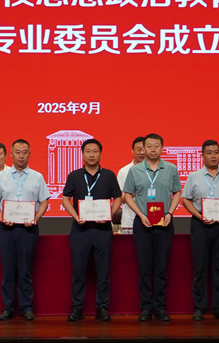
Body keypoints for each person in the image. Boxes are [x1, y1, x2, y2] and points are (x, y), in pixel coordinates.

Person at [60, 138, 122, 322]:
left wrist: (109, 214)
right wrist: (75, 216)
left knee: (103, 272)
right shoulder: (74, 175)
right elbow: (65, 198)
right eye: (88, 151)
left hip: (103, 230)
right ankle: (77, 308)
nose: (92, 155)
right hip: (80, 230)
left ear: (101, 154)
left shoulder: (109, 175)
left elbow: (118, 198)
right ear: (82, 154)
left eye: (95, 151)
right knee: (78, 272)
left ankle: (102, 308)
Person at [122, 133, 181, 322]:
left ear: (162, 148)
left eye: (156, 146)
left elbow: (177, 192)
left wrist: (170, 213)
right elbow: (127, 195)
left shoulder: (170, 168)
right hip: (143, 223)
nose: (153, 149)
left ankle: (160, 307)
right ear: (144, 148)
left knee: (161, 267)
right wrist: (140, 214)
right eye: (149, 146)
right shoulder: (135, 170)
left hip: (165, 223)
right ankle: (146, 307)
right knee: (144, 267)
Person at [0, 139, 51, 321]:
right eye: (17, 152)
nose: (21, 156)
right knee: (8, 271)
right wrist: (1, 217)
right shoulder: (2, 177)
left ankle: (27, 307)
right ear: (11, 154)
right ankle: (7, 307)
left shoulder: (37, 177)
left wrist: (36, 218)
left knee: (25, 270)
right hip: (7, 229)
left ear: (30, 154)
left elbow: (44, 202)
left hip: (28, 229)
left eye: (25, 152)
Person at [181, 140, 219, 321]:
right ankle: (199, 308)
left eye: (216, 152)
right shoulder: (194, 176)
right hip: (201, 225)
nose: (213, 156)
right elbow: (185, 200)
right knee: (200, 268)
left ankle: (218, 308)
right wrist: (199, 216)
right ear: (202, 156)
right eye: (209, 152)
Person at [117, 137, 146, 232]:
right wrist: (136, 191)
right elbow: (119, 198)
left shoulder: (156, 170)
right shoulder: (124, 171)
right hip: (130, 222)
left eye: (144, 149)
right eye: (139, 149)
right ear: (132, 151)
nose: (142, 152)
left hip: (152, 220)